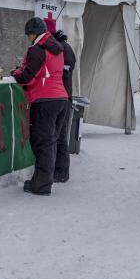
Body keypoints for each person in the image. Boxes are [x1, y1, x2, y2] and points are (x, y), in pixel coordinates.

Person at [12, 17, 70, 196]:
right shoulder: (57, 48)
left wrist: (15, 72)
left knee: (42, 143)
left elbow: (27, 77)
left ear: (32, 34)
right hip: (61, 98)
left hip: (44, 100)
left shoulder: (37, 49)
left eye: (28, 35)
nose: (28, 39)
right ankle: (45, 179)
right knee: (51, 142)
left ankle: (41, 185)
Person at [52, 27, 77, 183]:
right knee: (60, 136)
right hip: (64, 96)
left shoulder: (63, 49)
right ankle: (60, 171)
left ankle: (61, 172)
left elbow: (65, 72)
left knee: (60, 136)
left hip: (63, 96)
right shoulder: (66, 48)